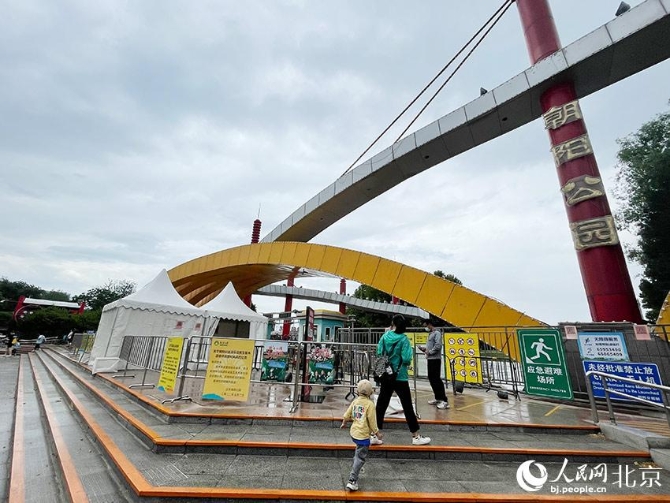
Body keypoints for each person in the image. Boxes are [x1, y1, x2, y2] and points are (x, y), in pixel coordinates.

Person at [373, 314, 431, 446]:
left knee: (381, 405)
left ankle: (374, 434)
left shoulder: (385, 337)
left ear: (393, 324)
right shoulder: (404, 339)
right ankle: (415, 436)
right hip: (400, 376)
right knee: (407, 406)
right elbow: (406, 358)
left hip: (386, 375)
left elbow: (379, 353)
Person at [340, 379, 382, 492]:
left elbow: (347, 414)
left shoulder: (355, 401)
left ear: (357, 391)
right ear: (371, 393)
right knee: (360, 457)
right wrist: (377, 433)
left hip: (354, 433)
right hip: (363, 435)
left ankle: (356, 465)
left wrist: (344, 423)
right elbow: (372, 421)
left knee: (358, 451)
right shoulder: (370, 404)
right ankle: (352, 480)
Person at [419, 318, 449, 409]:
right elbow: (431, 346)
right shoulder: (431, 334)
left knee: (436, 379)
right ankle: (438, 398)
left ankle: (444, 400)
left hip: (435, 359)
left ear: (429, 324)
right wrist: (424, 349)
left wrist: (430, 352)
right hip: (430, 359)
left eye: (426, 325)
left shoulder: (437, 333)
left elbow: (438, 346)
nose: (425, 327)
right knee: (431, 378)